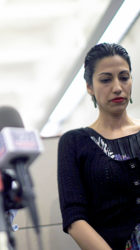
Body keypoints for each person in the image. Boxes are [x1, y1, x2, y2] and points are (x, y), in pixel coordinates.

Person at [58, 42, 140, 250]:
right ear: (89, 87)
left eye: (124, 77)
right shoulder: (74, 142)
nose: (117, 87)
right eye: (105, 80)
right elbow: (74, 219)